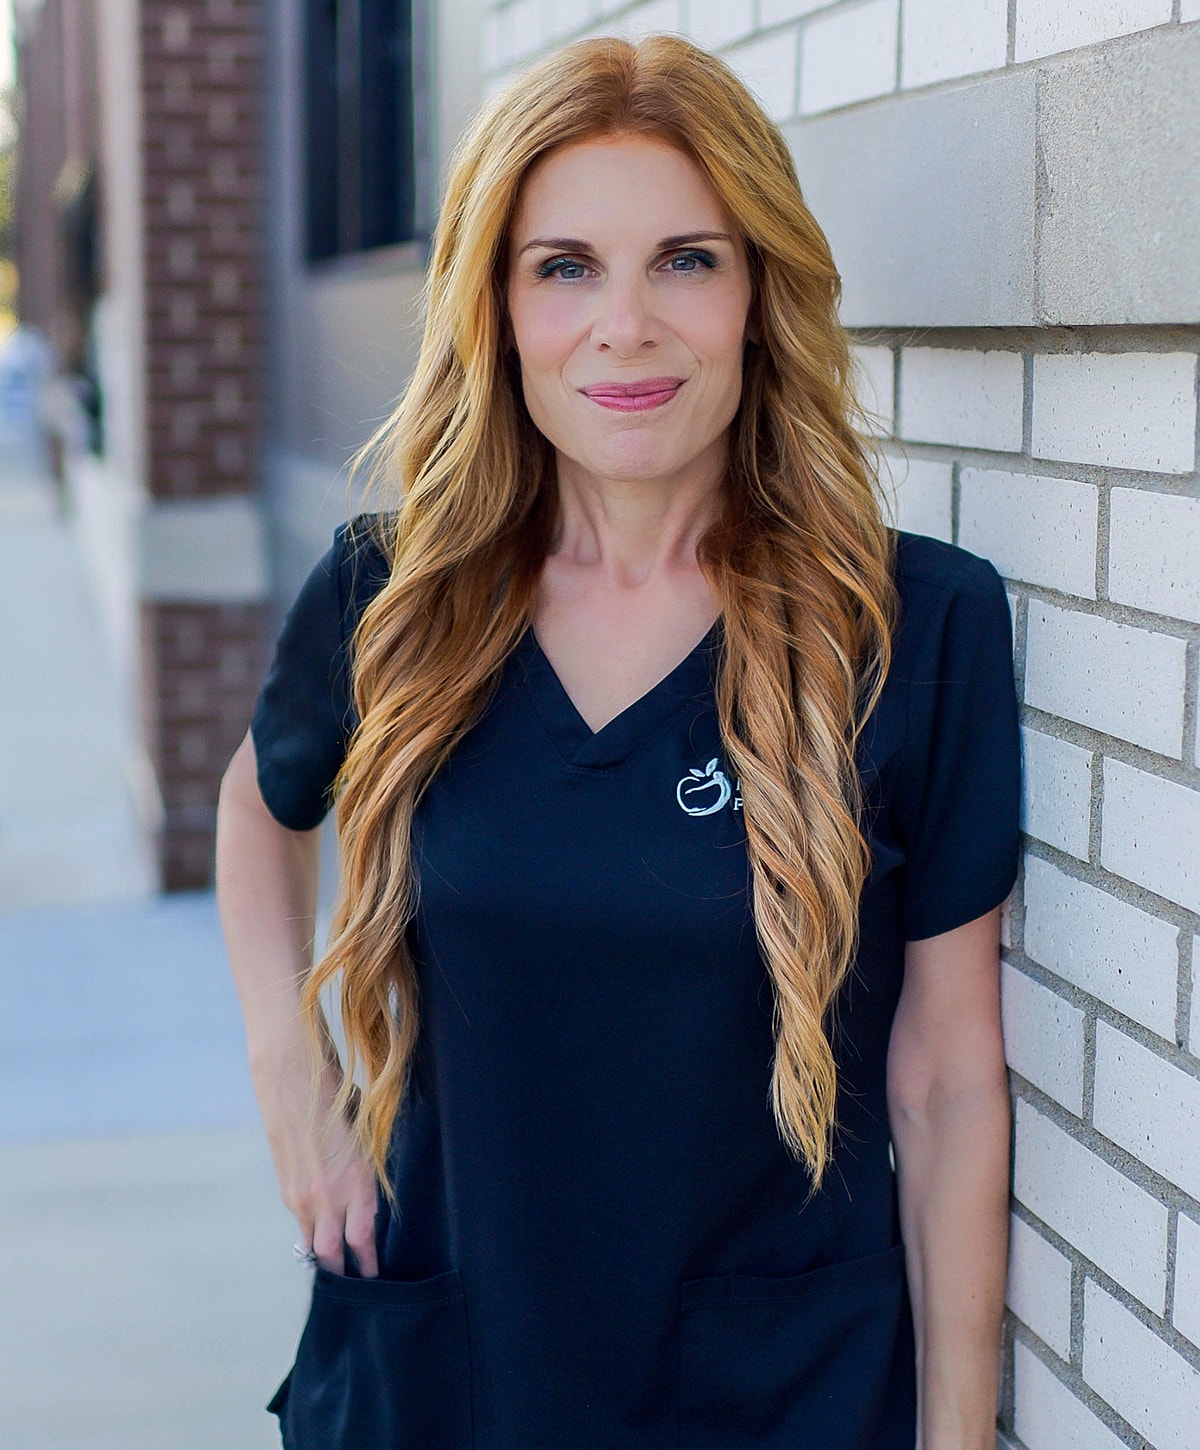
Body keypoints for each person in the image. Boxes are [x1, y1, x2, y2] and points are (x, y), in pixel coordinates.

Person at [215, 33, 1020, 1450]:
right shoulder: (395, 595)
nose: (627, 326)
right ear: (499, 306)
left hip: (775, 1393)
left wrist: (957, 1434)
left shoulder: (912, 627)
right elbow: (259, 800)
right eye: (567, 265)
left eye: (688, 260)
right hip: (448, 1376)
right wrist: (297, 1077)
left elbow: (946, 1076)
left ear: (760, 294)